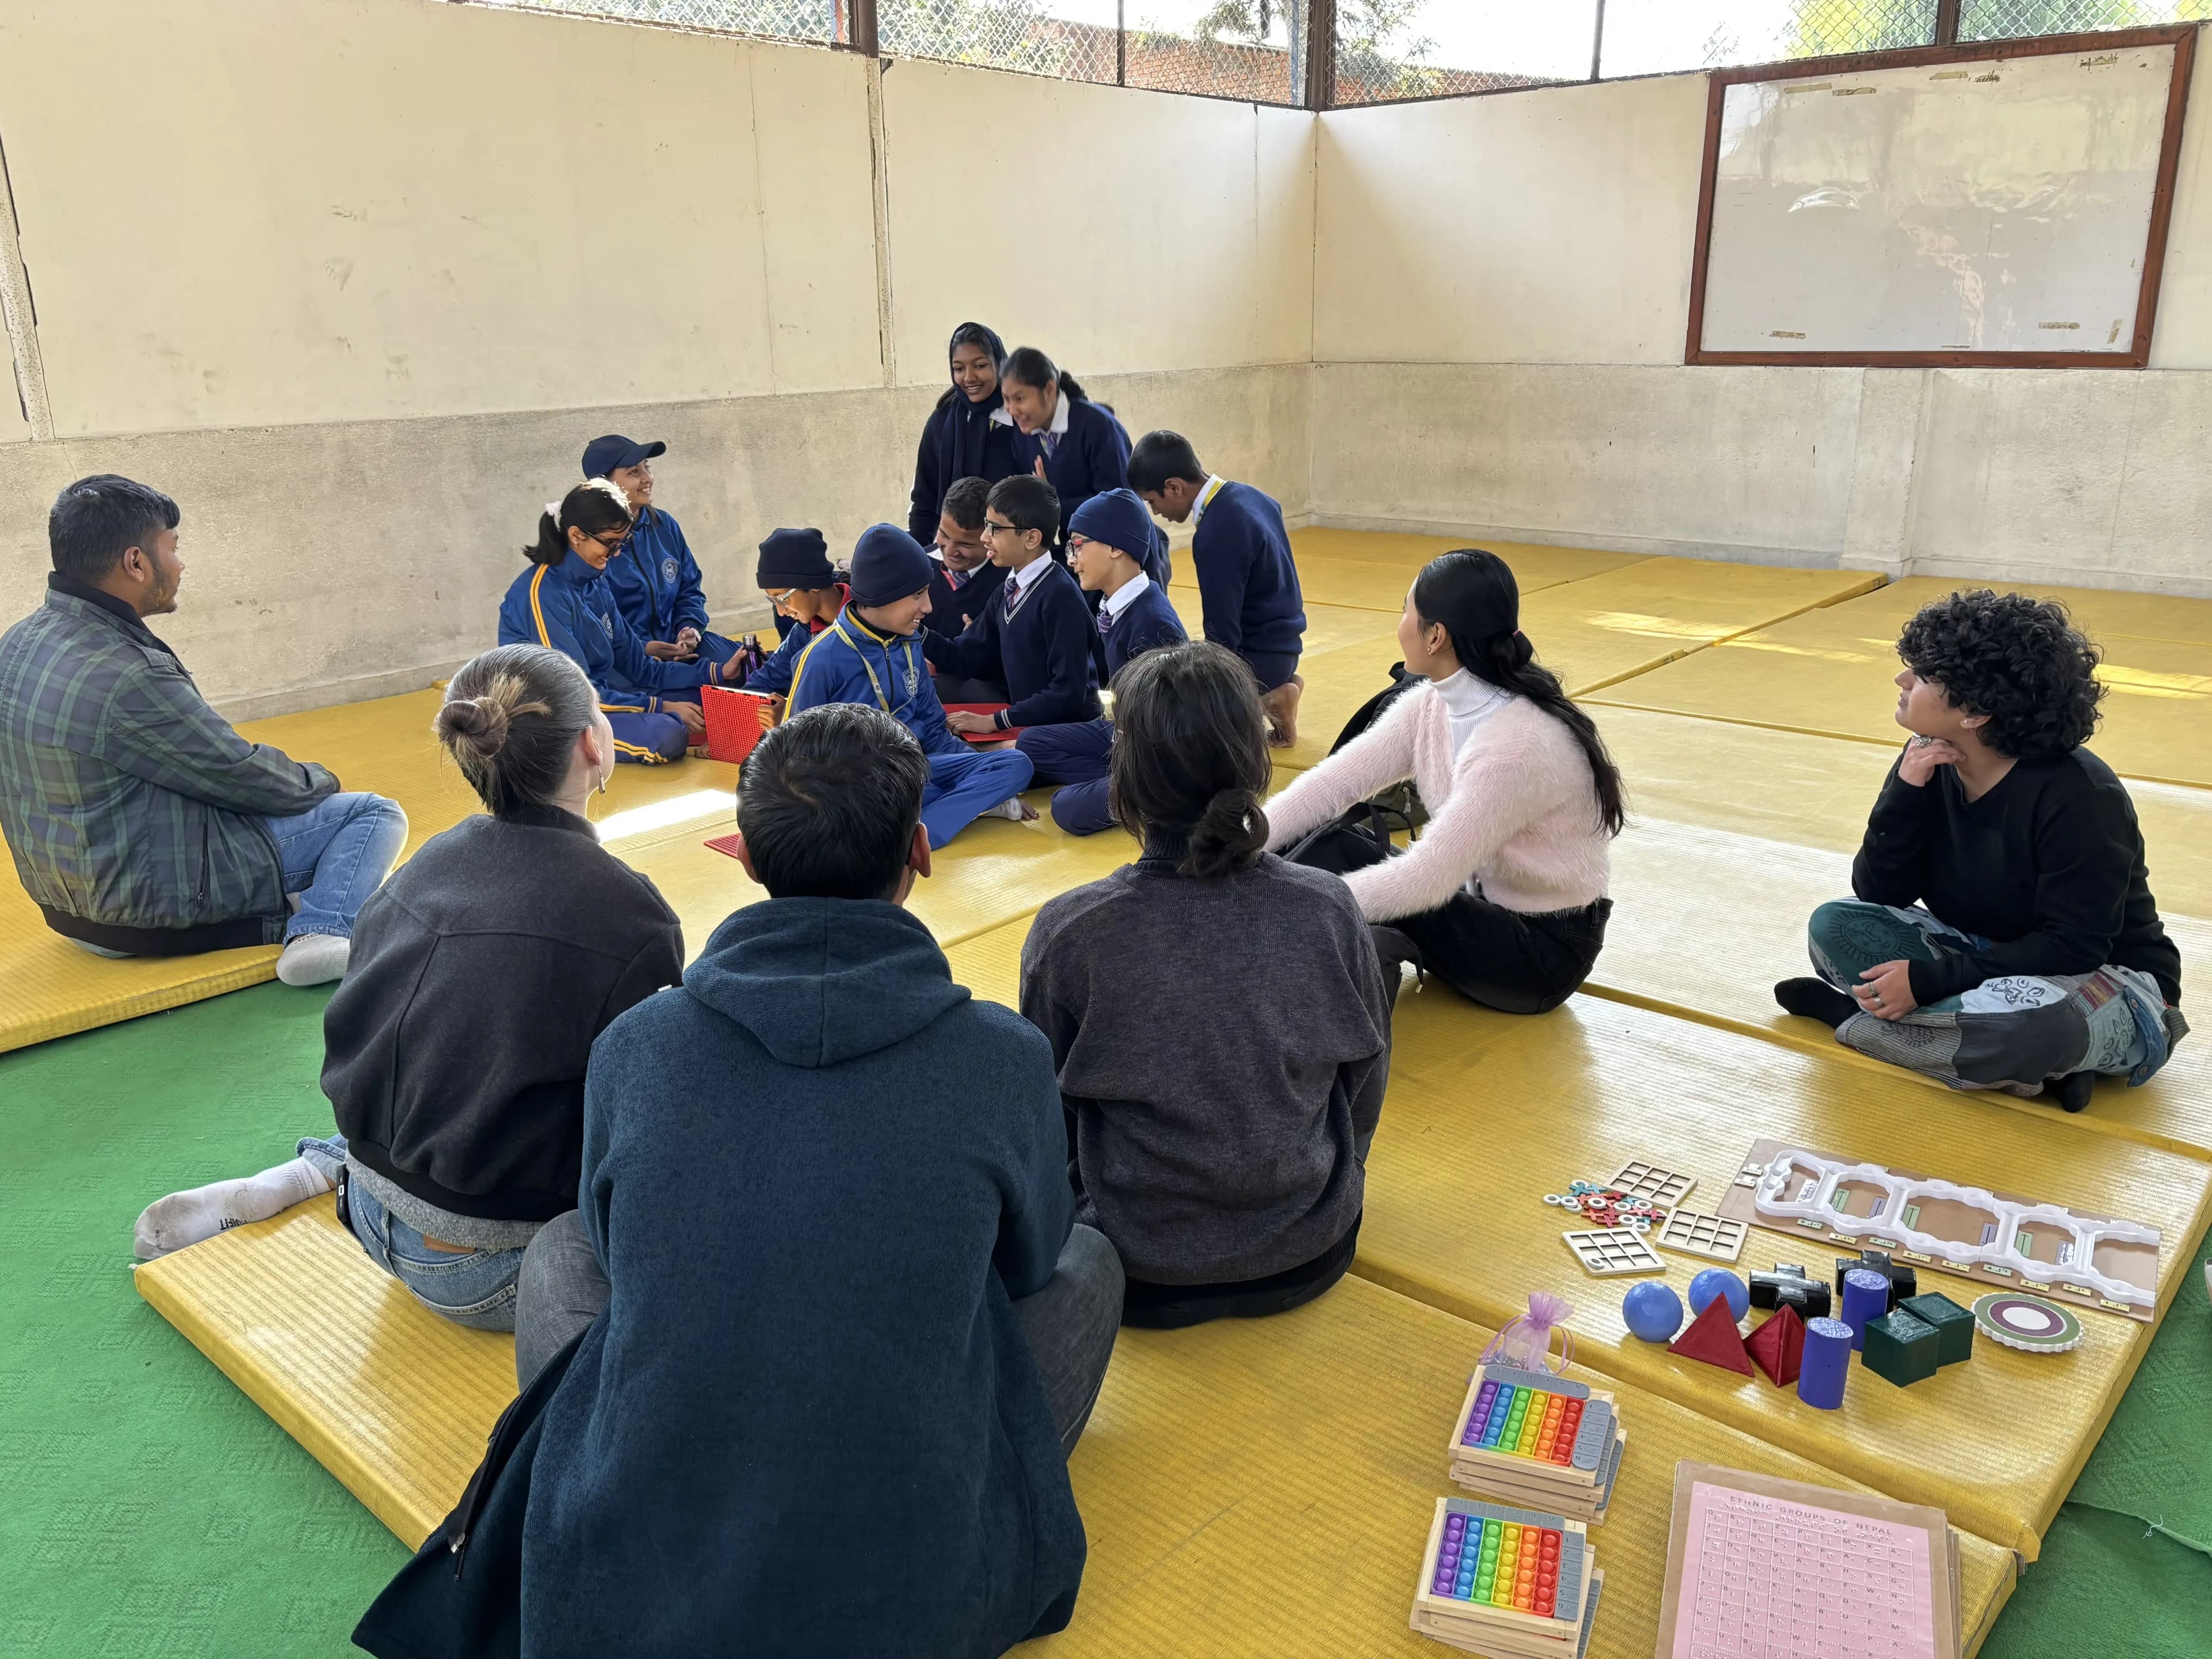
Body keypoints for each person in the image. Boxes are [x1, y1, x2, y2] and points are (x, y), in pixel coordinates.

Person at [354, 703, 1122, 1659]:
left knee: (560, 1253)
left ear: (746, 858)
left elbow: (610, 1243)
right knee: (1090, 1258)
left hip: (641, 1565)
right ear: (920, 851)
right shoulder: (1003, 1057)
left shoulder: (639, 1045)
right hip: (919, 1590)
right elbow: (1027, 1266)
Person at [132, 646, 685, 1327]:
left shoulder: (428, 861)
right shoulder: (630, 914)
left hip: (368, 1204)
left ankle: (315, 1170)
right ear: (594, 745)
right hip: (495, 1268)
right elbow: (647, 1106)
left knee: (455, 1063)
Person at [1021, 642, 1391, 1328]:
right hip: (1309, 1245)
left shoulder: (1072, 932)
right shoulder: (1326, 906)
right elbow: (1365, 1076)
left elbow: (1049, 1117)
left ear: (1123, 779)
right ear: (1255, 763)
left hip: (1135, 1268)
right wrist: (1334, 1169)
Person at [1774, 590, 2186, 1109]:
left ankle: (1855, 1023)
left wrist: (1927, 982)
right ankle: (2026, 1067)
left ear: (1976, 711)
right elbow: (1882, 893)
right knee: (1834, 926)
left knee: (2040, 1029)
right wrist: (1904, 791)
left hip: (2107, 982)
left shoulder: (2082, 796)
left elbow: (2075, 947)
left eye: (1923, 675)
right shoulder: (1926, 756)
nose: (1903, 681)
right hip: (1984, 955)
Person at [0, 475, 406, 987]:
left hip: (65, 905)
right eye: (174, 547)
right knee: (372, 814)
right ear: (136, 562)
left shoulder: (17, 643)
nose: (181, 563)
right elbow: (242, 773)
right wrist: (321, 780)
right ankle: (323, 930)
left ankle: (303, 895)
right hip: (140, 914)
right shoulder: (129, 673)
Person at [1268, 550, 1622, 1016]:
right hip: (1476, 908)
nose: (1399, 625)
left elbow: (1425, 880)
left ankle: (1274, 943)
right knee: (1329, 843)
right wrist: (1236, 843)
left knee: (1336, 891)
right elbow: (1331, 785)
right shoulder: (1428, 706)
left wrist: (1302, 908)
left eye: (1404, 612)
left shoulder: (1519, 743)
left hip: (1541, 955)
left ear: (1435, 636)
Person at [786, 524, 1035, 846]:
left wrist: (979, 776)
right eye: (918, 595)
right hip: (862, 785)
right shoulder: (821, 658)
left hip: (921, 772)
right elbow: (793, 756)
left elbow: (933, 730)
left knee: (1016, 764)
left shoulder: (911, 642)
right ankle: (935, 823)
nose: (928, 607)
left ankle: (915, 829)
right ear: (881, 595)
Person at [497, 479, 745, 764]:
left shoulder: (595, 581)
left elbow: (640, 668)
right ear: (576, 535)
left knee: (716, 700)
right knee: (669, 734)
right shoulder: (543, 595)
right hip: (563, 714)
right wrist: (661, 707)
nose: (617, 553)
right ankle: (555, 749)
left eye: (623, 543)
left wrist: (717, 673)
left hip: (603, 696)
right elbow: (576, 694)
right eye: (611, 543)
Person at [1017, 488, 1188, 836]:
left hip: (1160, 755)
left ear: (1115, 548)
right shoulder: (1114, 606)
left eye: (1078, 545)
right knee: (1030, 744)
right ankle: (1119, 781)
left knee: (1066, 808)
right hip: (1126, 733)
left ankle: (1150, 795)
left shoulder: (1154, 624)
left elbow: (1171, 728)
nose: (1071, 559)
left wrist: (1132, 769)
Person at [1129, 429, 1307, 746]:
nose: (1156, 513)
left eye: (1153, 502)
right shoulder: (1253, 496)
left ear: (1174, 487)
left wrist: (1213, 688)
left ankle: (1264, 700)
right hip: (1286, 646)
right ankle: (1275, 690)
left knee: (1175, 720)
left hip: (1259, 658)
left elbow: (1222, 628)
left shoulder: (1216, 531)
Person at [926, 476, 1099, 738]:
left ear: (1031, 538)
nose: (985, 537)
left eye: (995, 529)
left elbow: (1068, 693)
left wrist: (996, 721)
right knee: (931, 689)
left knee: (993, 749)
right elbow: (965, 656)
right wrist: (914, 630)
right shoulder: (1007, 591)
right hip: (1024, 717)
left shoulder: (1060, 598)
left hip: (1062, 731)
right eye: (986, 526)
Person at [996, 346, 1161, 579]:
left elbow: (1120, 505)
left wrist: (1051, 502)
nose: (1013, 410)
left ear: (1050, 390)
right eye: (1007, 400)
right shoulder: (1024, 434)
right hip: (1081, 557)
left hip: (1124, 561)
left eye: (1020, 398)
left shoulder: (1098, 427)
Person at [586, 434, 740, 670]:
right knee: (689, 699)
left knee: (748, 666)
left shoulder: (664, 525)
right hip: (627, 659)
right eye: (634, 473)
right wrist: (643, 647)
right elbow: (595, 624)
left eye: (646, 467)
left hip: (677, 644)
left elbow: (689, 588)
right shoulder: (591, 545)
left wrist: (688, 628)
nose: (647, 479)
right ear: (604, 486)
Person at [907, 323, 1024, 544]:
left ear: (1000, 365)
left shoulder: (1023, 421)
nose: (969, 378)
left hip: (1009, 558)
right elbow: (924, 499)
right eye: (959, 369)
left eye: (980, 366)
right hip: (950, 555)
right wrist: (921, 556)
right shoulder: (943, 420)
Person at [728, 528, 848, 719]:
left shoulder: (868, 620)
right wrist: (729, 728)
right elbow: (767, 678)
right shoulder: (805, 629)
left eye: (783, 599)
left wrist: (791, 716)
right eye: (773, 601)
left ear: (814, 583)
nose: (782, 611)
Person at [926, 475, 1009, 642]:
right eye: (943, 534)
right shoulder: (917, 566)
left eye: (965, 545)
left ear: (989, 537)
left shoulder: (1008, 581)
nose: (950, 551)